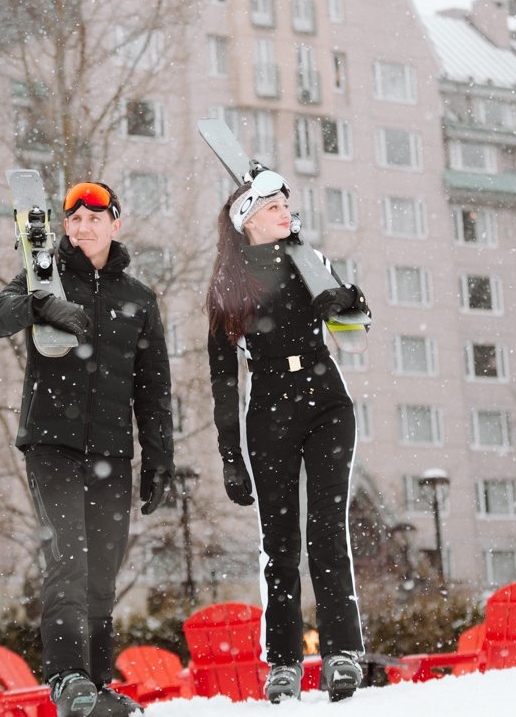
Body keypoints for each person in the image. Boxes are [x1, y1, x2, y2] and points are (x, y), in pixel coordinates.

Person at [0, 180, 175, 717]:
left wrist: (160, 458)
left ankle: (96, 684)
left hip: (112, 451)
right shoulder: (43, 278)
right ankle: (67, 677)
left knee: (103, 569)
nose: (84, 227)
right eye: (75, 220)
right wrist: (40, 304)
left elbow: (153, 387)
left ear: (115, 224)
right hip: (52, 442)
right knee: (67, 556)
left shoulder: (139, 299)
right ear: (64, 227)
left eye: (95, 218)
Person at [205, 170, 371, 703]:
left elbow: (358, 330)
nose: (285, 212)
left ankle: (342, 654)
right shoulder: (229, 287)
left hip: (326, 400)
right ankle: (283, 662)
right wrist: (230, 454)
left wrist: (346, 300)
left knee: (327, 531)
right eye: (273, 206)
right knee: (278, 542)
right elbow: (223, 379)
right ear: (248, 220)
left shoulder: (310, 259)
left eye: (285, 205)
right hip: (269, 408)